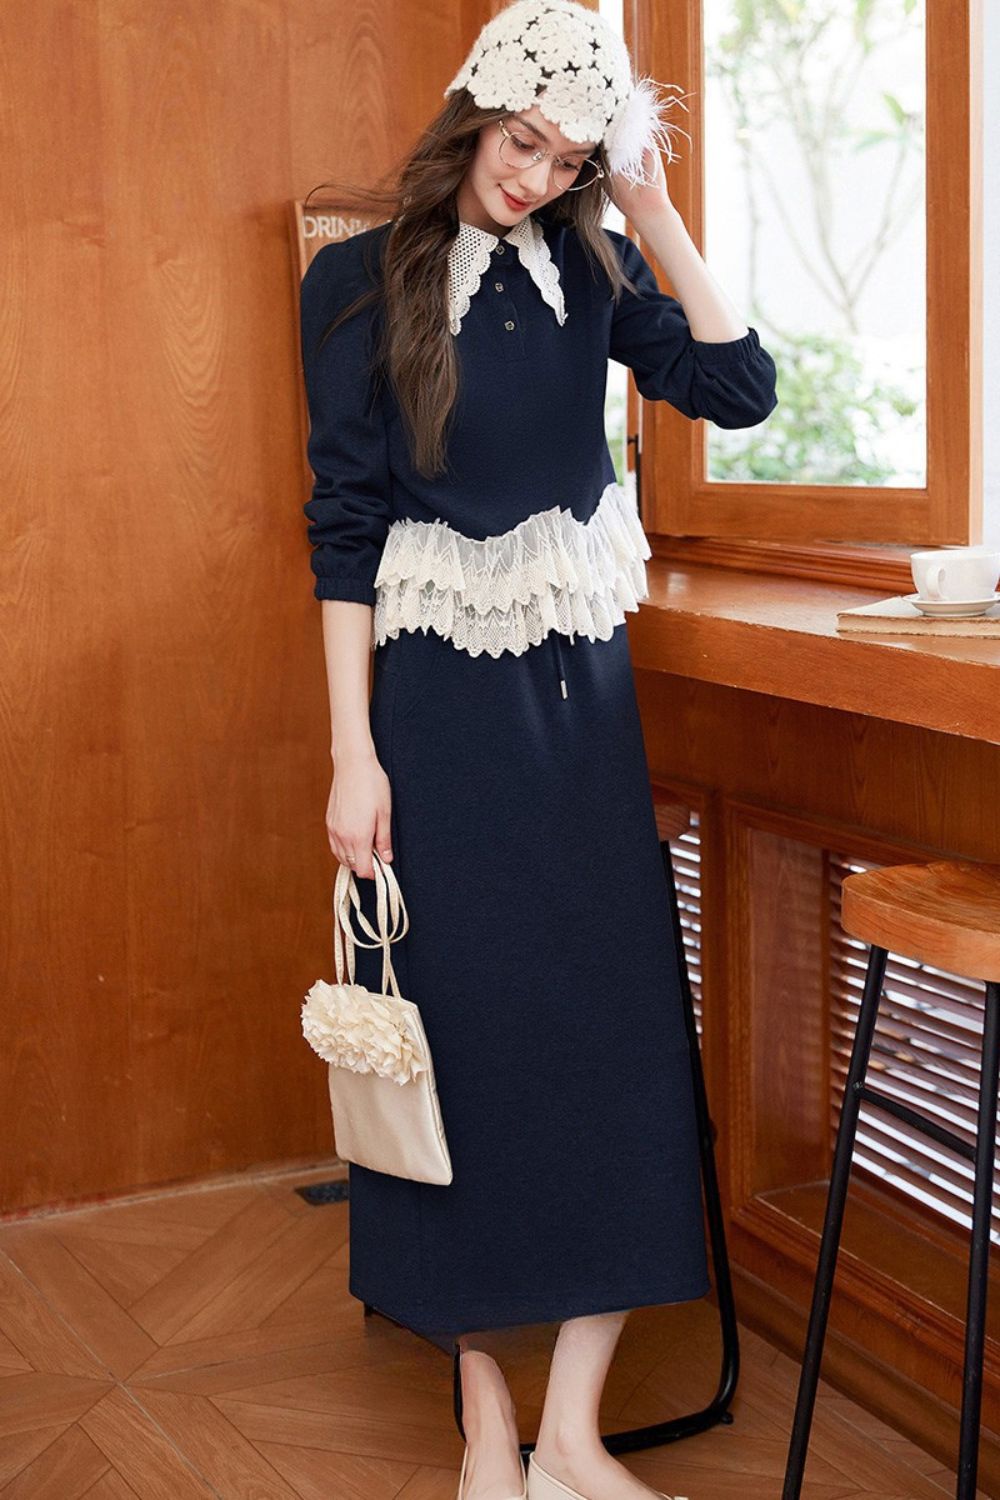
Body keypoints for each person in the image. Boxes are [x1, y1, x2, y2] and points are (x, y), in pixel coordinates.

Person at [298, 2, 778, 1497]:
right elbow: (343, 529)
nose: (536, 176)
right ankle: (487, 1425)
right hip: (435, 719)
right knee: (462, 1045)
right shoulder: (354, 282)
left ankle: (570, 1435)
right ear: (472, 113)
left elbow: (742, 390)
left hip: (581, 712)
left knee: (614, 1040)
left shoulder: (593, 262)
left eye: (569, 157)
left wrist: (649, 207)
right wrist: (353, 754)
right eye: (523, 142)